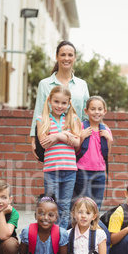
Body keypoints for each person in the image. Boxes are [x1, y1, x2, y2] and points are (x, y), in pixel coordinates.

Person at [30, 40, 89, 159]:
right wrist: (33, 138)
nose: (66, 58)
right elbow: (39, 112)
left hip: (76, 142)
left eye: (70, 55)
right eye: (63, 55)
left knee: (75, 177)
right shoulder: (45, 84)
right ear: (56, 57)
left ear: (75, 58)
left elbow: (86, 115)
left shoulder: (82, 84)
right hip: (52, 144)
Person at [37, 85, 81, 229]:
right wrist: (63, 135)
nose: (60, 106)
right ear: (49, 100)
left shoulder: (72, 118)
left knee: (65, 206)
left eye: (64, 103)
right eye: (56, 102)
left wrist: (56, 136)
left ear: (69, 103)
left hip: (69, 170)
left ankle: (61, 236)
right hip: (51, 170)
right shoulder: (42, 119)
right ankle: (51, 235)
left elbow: (77, 142)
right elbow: (44, 143)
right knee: (51, 205)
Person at [74, 96, 112, 210]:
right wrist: (81, 137)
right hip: (82, 171)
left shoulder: (106, 130)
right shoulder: (81, 127)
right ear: (86, 111)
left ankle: (94, 226)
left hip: (100, 172)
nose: (97, 112)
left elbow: (106, 154)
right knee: (85, 204)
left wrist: (109, 140)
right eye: (93, 109)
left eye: (100, 109)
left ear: (104, 111)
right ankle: (84, 227)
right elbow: (75, 151)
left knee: (96, 205)